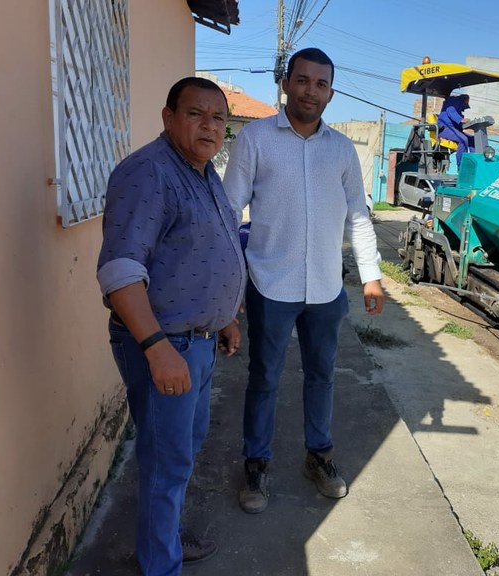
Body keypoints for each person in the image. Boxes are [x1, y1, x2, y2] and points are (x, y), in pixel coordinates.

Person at [223, 47, 385, 514]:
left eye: (320, 84)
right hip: (269, 283)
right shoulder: (255, 139)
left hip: (326, 288)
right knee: (264, 377)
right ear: (286, 84)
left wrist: (371, 275)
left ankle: (319, 455)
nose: (310, 90)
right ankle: (256, 463)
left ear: (331, 93)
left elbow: (357, 214)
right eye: (302, 80)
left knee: (322, 375)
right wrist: (230, 288)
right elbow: (230, 212)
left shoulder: (341, 150)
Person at [96, 77, 246, 575]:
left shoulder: (204, 172)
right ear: (168, 117)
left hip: (198, 343)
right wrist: (158, 348)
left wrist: (224, 319)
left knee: (181, 452)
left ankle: (164, 540)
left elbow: (202, 251)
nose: (210, 126)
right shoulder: (148, 174)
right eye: (196, 114)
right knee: (165, 463)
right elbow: (120, 269)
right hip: (167, 344)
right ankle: (161, 563)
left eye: (218, 118)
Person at [437, 93, 474, 166]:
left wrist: (467, 126)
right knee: (463, 139)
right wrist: (461, 120)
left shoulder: (459, 107)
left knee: (472, 139)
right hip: (444, 128)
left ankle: (474, 162)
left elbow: (458, 123)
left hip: (453, 129)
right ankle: (461, 166)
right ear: (465, 99)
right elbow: (450, 111)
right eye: (467, 102)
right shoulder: (452, 101)